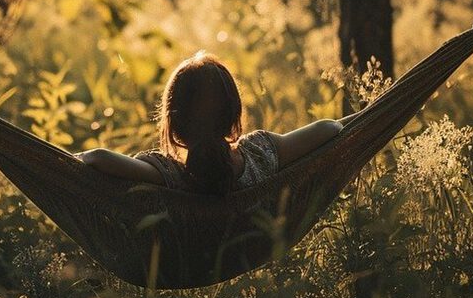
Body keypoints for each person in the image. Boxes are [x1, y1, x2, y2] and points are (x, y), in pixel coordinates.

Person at [76, 52, 344, 194]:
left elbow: (99, 158)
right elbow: (331, 128)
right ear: (233, 114)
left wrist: (54, 161)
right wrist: (372, 116)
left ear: (175, 122)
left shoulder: (171, 177)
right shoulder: (261, 155)